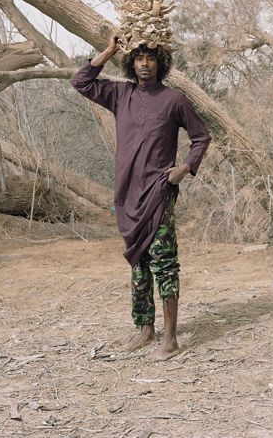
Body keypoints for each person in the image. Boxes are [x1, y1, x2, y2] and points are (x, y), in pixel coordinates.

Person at [71, 35, 211, 361]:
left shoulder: (175, 99)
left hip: (158, 193)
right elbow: (80, 81)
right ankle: (145, 329)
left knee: (164, 264)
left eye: (150, 58)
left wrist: (185, 168)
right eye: (139, 58)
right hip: (127, 194)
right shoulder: (121, 94)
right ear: (131, 62)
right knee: (138, 262)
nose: (144, 64)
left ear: (160, 62)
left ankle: (171, 338)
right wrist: (108, 51)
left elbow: (202, 137)